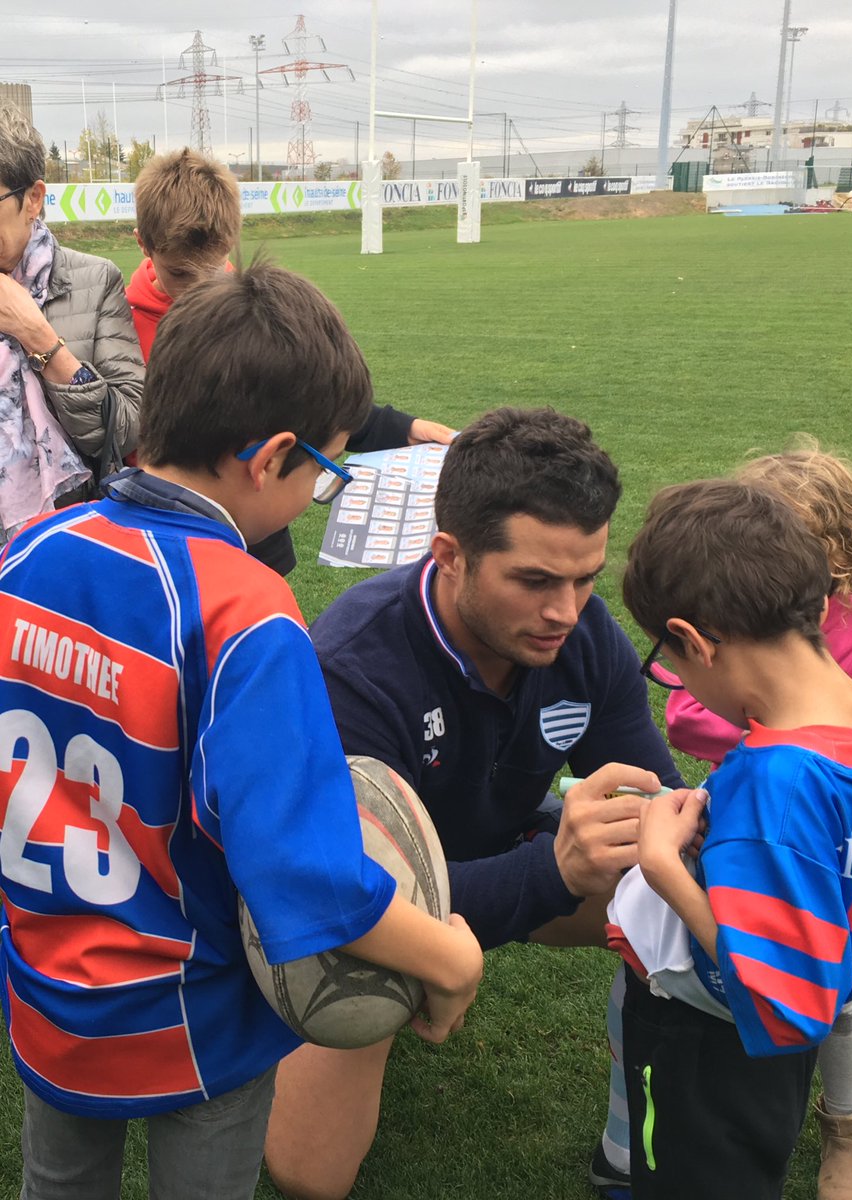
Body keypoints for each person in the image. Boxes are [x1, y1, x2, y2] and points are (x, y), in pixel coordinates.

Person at [0, 260, 482, 1200]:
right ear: (271, 457)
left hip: (47, 989)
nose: (317, 493)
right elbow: (300, 872)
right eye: (325, 471)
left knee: (57, 1184)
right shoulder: (246, 611)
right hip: (193, 1009)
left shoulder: (28, 554)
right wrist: (449, 956)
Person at [264, 406, 686, 1199]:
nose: (566, 610)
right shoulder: (354, 665)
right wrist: (552, 869)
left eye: (585, 576)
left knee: (682, 894)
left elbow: (651, 791)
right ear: (450, 556)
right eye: (534, 580)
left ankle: (636, 1139)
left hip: (504, 858)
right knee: (308, 1174)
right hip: (374, 913)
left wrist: (668, 826)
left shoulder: (581, 634)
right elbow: (356, 895)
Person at [609, 477, 852, 1200]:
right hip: (788, 1039)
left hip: (710, 1047)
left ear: (696, 643)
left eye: (669, 666)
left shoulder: (775, 788)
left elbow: (782, 1003)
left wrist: (663, 868)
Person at [126, 147, 454, 574]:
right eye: (181, 275)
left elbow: (299, 391)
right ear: (143, 244)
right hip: (165, 532)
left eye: (213, 272)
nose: (200, 294)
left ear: (232, 242)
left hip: (259, 538)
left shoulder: (251, 310)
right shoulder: (116, 321)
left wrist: (401, 428)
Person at [0, 101, 143, 541]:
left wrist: (36, 334)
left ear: (34, 199)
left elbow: (126, 428)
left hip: (59, 537)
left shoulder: (95, 280)